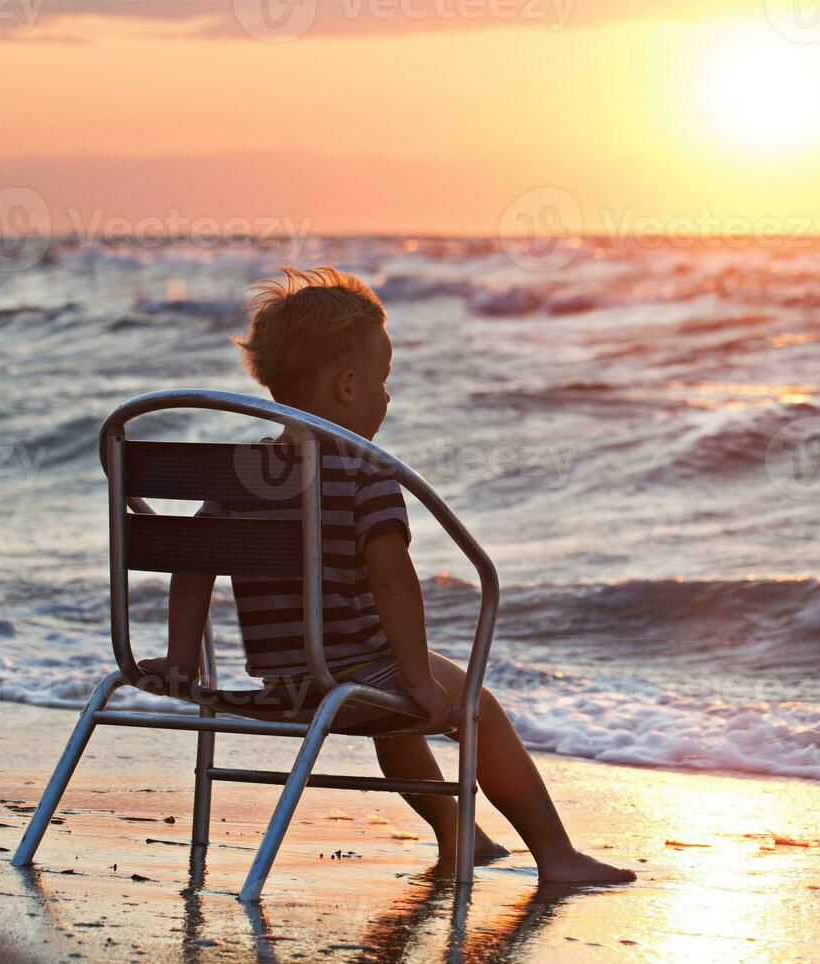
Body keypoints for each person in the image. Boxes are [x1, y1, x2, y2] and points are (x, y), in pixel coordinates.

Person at [139, 266, 633, 884]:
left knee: (391, 719)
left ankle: (460, 836)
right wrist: (420, 678)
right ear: (348, 386)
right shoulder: (365, 474)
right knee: (475, 707)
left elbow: (191, 561)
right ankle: (556, 856)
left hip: (290, 683)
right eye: (384, 379)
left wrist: (182, 660)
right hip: (349, 678)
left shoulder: (238, 474)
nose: (388, 395)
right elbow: (394, 579)